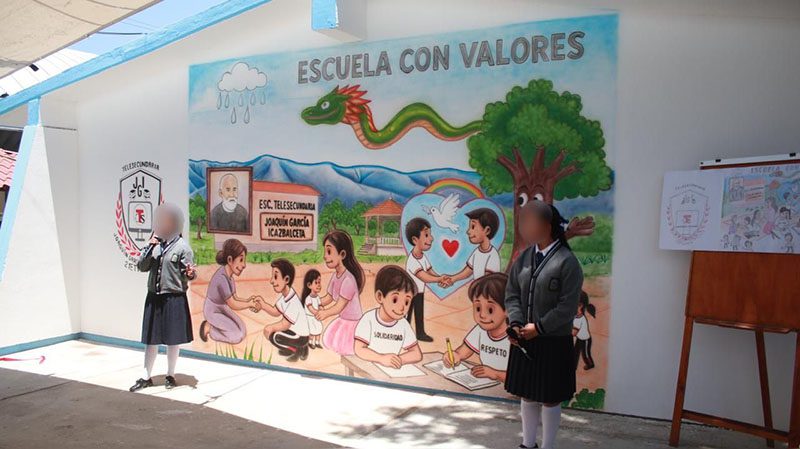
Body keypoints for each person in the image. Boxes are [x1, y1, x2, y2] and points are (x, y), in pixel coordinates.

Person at [505, 200, 584, 449]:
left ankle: (548, 445)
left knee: (550, 398)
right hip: (525, 339)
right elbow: (512, 293)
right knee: (528, 394)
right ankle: (528, 444)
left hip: (553, 342)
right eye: (522, 221)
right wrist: (516, 323)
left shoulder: (567, 262)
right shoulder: (524, 258)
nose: (524, 227)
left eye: (529, 221)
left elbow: (567, 307)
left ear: (547, 226)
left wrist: (538, 328)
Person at [130, 203, 196, 392]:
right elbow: (141, 266)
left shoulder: (183, 248)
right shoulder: (155, 245)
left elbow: (189, 274)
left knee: (172, 339)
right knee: (151, 339)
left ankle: (170, 375)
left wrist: (190, 274)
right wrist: (150, 247)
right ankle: (146, 376)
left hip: (173, 298)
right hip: (154, 296)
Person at [442, 272, 510, 382]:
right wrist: (454, 356)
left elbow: (524, 376)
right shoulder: (480, 330)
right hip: (486, 384)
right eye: (478, 308)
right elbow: (463, 352)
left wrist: (495, 374)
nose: (482, 315)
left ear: (508, 309)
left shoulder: (516, 336)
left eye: (490, 310)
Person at [354, 266, 422, 368]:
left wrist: (399, 360)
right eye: (395, 300)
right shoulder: (368, 319)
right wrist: (381, 358)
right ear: (380, 297)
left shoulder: (403, 324)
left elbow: (417, 354)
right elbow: (359, 349)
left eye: (407, 302)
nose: (402, 307)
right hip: (370, 367)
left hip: (391, 370)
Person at [314, 230, 365, 355]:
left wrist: (325, 313)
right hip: (343, 320)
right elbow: (329, 297)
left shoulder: (348, 280)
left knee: (342, 347)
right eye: (325, 252)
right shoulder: (335, 276)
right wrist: (313, 301)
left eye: (329, 251)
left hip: (351, 324)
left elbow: (339, 306)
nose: (325, 256)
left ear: (342, 254)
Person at [199, 239, 258, 344]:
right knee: (237, 336)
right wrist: (249, 304)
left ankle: (218, 326)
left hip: (222, 307)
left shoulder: (230, 277)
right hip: (212, 311)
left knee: (242, 331)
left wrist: (248, 301)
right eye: (241, 260)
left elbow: (235, 298)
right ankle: (209, 328)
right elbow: (233, 304)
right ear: (230, 260)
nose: (244, 265)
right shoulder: (221, 278)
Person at [258, 259, 310, 362]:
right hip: (294, 332)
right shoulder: (285, 297)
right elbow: (275, 311)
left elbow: (285, 324)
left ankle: (297, 350)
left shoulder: (293, 301)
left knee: (275, 336)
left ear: (286, 279)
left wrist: (271, 328)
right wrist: (263, 305)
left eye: (275, 277)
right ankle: (296, 348)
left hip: (300, 336)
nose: (271, 281)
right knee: (272, 332)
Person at [404, 218, 446, 342]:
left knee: (419, 313)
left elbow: (430, 271)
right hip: (409, 293)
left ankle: (420, 333)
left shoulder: (422, 257)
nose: (431, 238)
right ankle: (403, 333)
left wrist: (441, 278)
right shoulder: (412, 260)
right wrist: (439, 279)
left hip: (419, 292)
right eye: (426, 235)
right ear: (415, 240)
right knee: (407, 314)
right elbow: (424, 276)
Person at [442, 208, 501, 285]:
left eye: (473, 227)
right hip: (477, 289)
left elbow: (487, 280)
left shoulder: (492, 255)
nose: (468, 231)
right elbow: (467, 272)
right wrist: (452, 279)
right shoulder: (477, 252)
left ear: (487, 230)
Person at [301, 269, 324, 349]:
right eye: (316, 283)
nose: (318, 285)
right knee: (312, 331)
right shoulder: (308, 298)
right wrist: (318, 312)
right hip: (310, 318)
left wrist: (322, 309)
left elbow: (320, 305)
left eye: (319, 282)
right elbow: (311, 308)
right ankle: (310, 342)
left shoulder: (317, 297)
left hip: (316, 317)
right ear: (309, 285)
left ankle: (317, 342)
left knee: (319, 329)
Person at [573, 291, 596, 371]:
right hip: (580, 338)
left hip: (585, 339)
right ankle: (573, 366)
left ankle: (590, 364)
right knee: (575, 352)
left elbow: (574, 333)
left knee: (585, 354)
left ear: (580, 305)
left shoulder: (580, 319)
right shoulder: (576, 316)